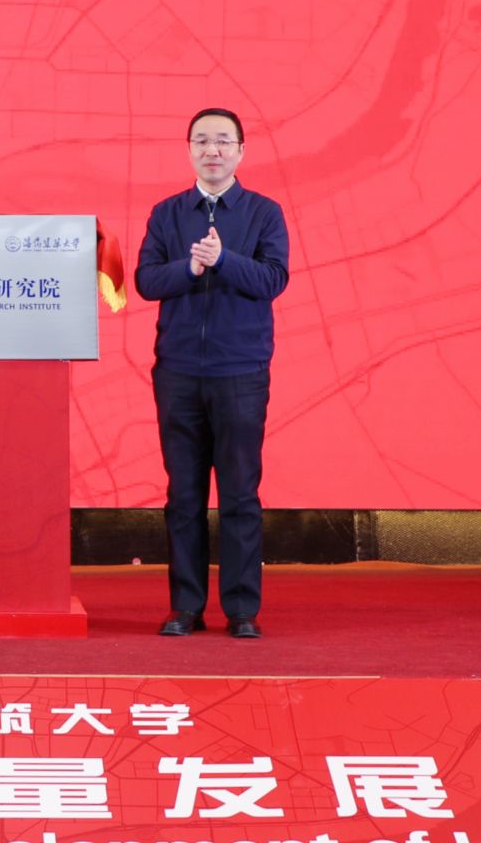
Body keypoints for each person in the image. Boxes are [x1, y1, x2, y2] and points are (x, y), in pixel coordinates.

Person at [133, 107, 290, 640]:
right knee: (184, 495)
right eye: (202, 141)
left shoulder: (264, 213)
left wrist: (224, 260)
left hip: (241, 372)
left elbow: (273, 279)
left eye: (223, 141)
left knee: (240, 494)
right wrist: (191, 267)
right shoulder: (167, 213)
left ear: (241, 151)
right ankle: (186, 606)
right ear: (189, 150)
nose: (212, 150)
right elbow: (147, 281)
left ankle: (242, 609)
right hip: (178, 373)